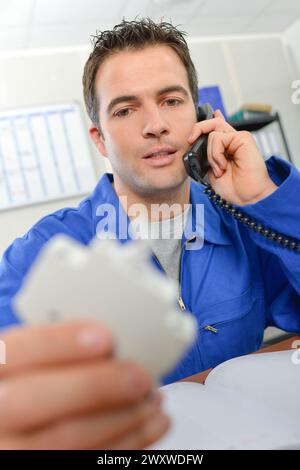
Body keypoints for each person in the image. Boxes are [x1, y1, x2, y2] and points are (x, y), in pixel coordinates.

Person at [0, 17, 300, 446]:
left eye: (171, 100)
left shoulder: (242, 220)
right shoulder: (42, 251)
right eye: (125, 109)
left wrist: (264, 198)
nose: (155, 124)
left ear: (198, 115)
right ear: (99, 138)